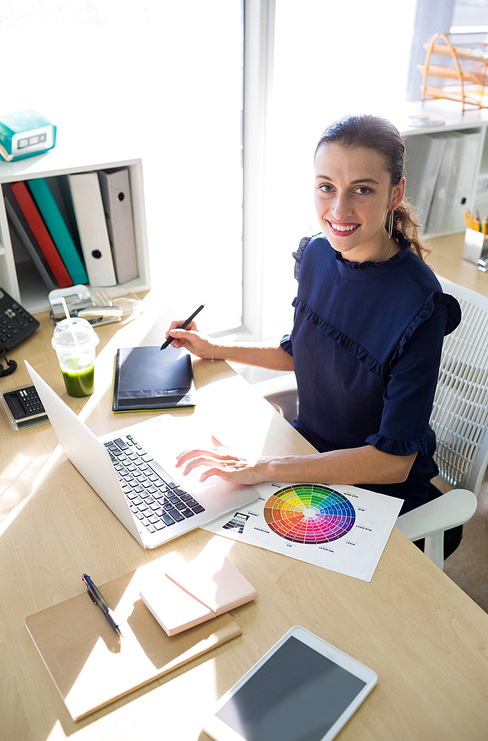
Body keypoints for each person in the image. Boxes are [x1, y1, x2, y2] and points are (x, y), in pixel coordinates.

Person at [164, 114, 461, 520]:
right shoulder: (318, 255)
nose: (339, 208)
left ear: (395, 194)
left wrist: (267, 468)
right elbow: (299, 351)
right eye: (326, 187)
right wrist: (212, 347)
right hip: (307, 454)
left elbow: (393, 461)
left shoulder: (421, 306)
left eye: (362, 190)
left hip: (374, 489)